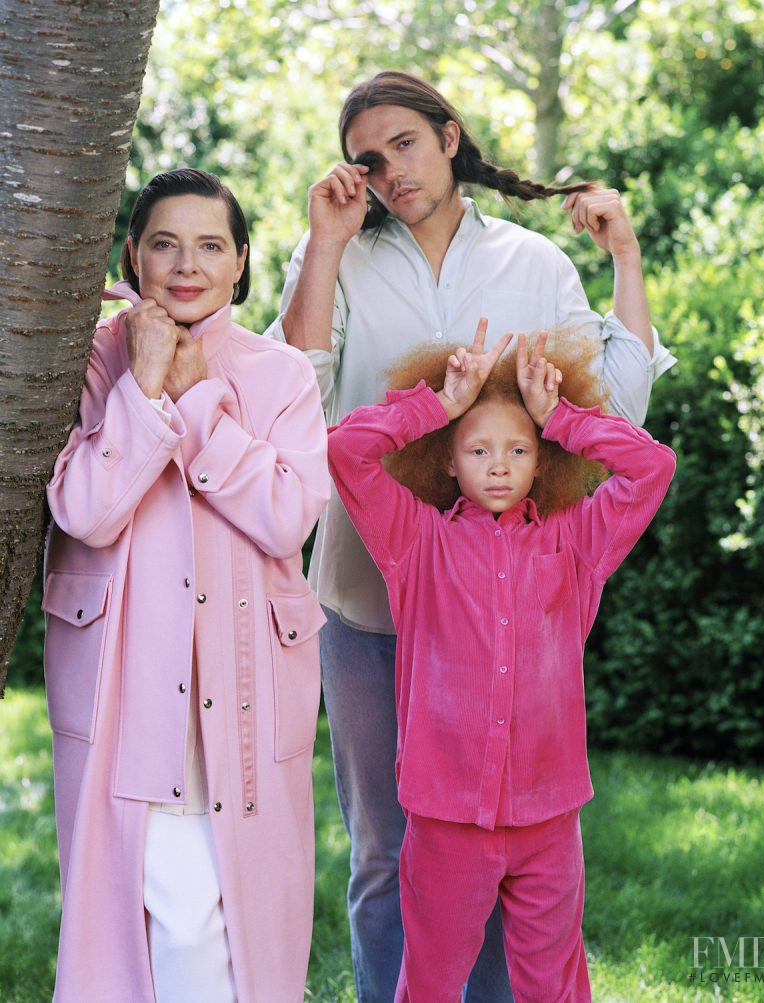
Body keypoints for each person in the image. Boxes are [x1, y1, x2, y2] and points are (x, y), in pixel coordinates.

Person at [266, 70, 675, 1001]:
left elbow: (622, 400)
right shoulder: (337, 254)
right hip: (371, 597)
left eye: (404, 143)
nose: (390, 169)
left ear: (450, 138)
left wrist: (627, 258)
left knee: (504, 858)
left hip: (506, 605)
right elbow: (295, 395)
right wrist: (325, 246)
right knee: (387, 850)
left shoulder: (534, 263)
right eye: (368, 157)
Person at [42, 168, 329, 1003]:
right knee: (154, 911)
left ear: (242, 261)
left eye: (210, 245)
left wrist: (198, 399)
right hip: (129, 688)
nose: (185, 264)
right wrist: (139, 387)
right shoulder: (91, 361)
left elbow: (283, 517)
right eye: (164, 242)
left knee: (229, 920)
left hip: (243, 690)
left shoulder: (280, 376)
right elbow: (86, 510)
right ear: (132, 254)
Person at [326, 325, 677, 1001]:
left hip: (549, 814)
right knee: (429, 981)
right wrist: (436, 406)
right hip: (446, 814)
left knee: (556, 984)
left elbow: (652, 468)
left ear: (541, 461)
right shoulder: (415, 540)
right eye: (478, 448)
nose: (498, 464)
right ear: (448, 461)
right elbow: (346, 452)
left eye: (518, 448)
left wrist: (562, 419)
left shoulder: (577, 541)